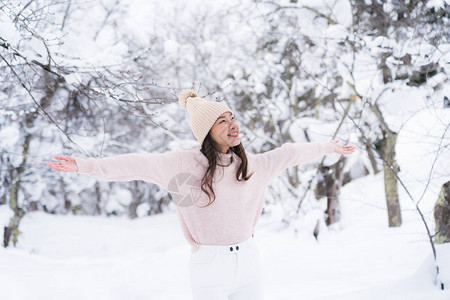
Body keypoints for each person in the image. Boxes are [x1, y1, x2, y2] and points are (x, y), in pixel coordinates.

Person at [47, 90, 355, 300]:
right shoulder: (184, 166)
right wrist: (83, 166)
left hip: (249, 260)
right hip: (211, 266)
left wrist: (328, 147)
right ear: (206, 130)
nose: (233, 124)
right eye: (222, 120)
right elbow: (137, 164)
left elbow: (290, 153)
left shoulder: (250, 167)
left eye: (232, 118)